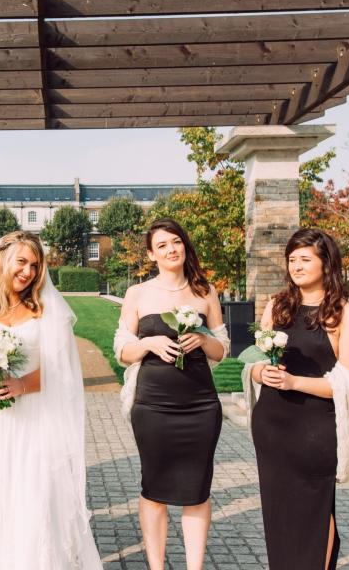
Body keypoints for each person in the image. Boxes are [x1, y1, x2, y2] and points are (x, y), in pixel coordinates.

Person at [0, 231, 103, 570]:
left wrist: (19, 385)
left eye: (35, 265)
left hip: (32, 424)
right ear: (2, 261)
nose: (28, 271)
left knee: (31, 499)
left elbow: (61, 375)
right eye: (22, 262)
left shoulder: (44, 311)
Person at [243, 228, 349, 570]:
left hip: (316, 428)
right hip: (273, 426)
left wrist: (295, 381)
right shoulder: (277, 305)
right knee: (278, 510)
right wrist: (259, 373)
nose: (296, 266)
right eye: (292, 259)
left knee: (315, 506)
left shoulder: (343, 312)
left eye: (305, 259)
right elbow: (254, 359)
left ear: (325, 263)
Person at [115, 218, 230, 570]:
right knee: (154, 487)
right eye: (162, 245)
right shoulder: (138, 294)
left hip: (200, 405)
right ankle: (156, 565)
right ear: (152, 254)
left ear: (184, 245)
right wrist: (146, 343)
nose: (170, 249)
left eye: (175, 242)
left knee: (197, 489)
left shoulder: (204, 290)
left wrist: (205, 341)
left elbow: (223, 348)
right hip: (152, 406)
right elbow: (121, 349)